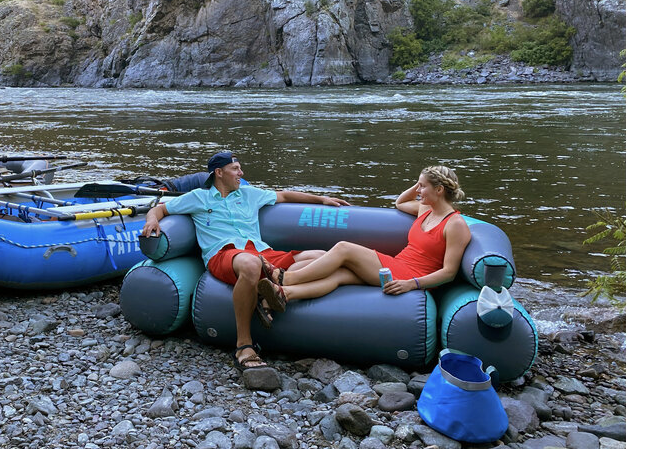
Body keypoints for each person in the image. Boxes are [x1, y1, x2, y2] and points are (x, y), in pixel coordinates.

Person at [140, 151, 350, 372]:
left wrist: (323, 199)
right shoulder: (198, 197)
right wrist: (152, 220)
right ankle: (244, 345)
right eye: (236, 169)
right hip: (224, 253)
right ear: (219, 173)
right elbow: (161, 208)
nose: (241, 173)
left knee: (320, 257)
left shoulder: (250, 194)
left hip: (262, 252)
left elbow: (285, 196)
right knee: (251, 264)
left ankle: (273, 294)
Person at [255, 166, 471, 313]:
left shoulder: (455, 225)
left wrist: (411, 284)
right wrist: (419, 183)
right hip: (399, 265)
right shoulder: (425, 208)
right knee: (340, 275)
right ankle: (285, 295)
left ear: (440, 190)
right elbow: (399, 203)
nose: (418, 191)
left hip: (412, 276)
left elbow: (448, 272)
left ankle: (288, 279)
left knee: (344, 248)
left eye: (422, 187)